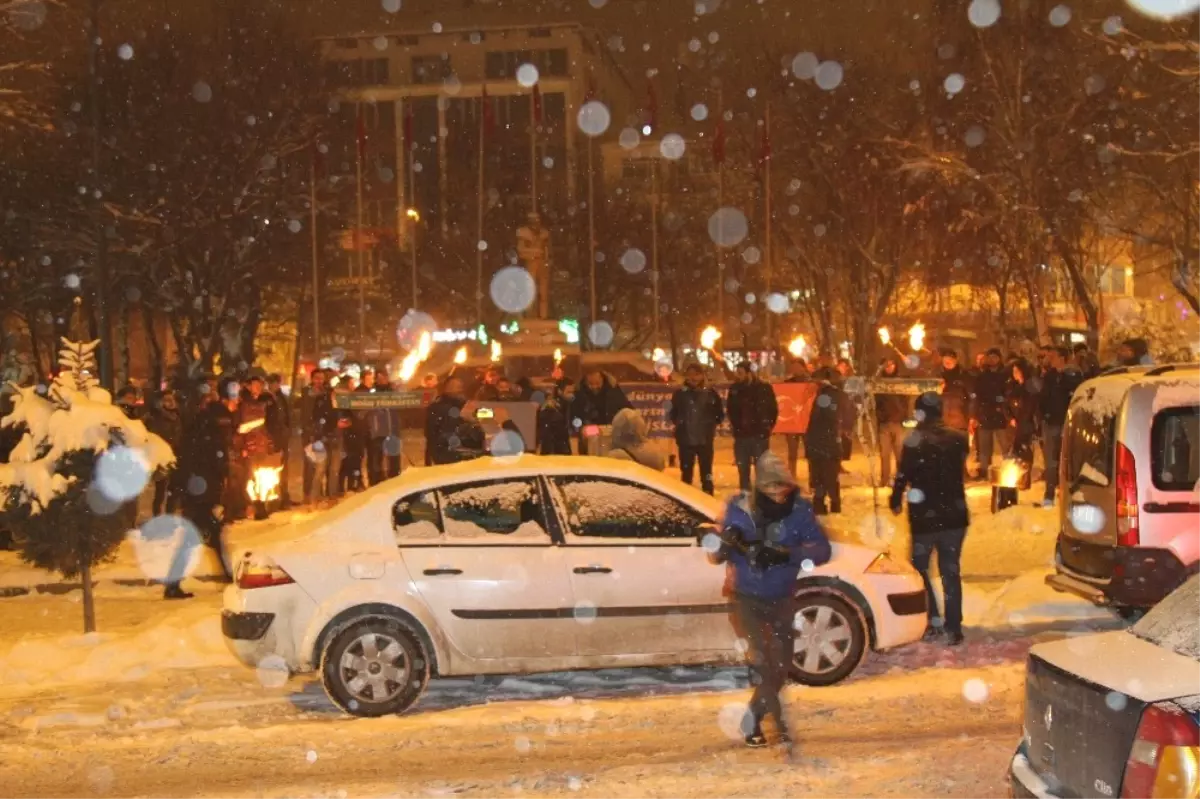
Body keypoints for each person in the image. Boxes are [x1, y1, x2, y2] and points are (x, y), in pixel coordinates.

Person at [708, 453, 832, 750]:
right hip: (746, 598)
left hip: (782, 598)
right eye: (770, 488)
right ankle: (779, 729)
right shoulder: (740, 509)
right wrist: (727, 542)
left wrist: (787, 554)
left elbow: (822, 550)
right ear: (758, 487)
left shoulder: (799, 510)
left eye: (782, 487)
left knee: (781, 668)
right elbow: (714, 552)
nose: (777, 494)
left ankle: (750, 720)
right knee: (765, 664)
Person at [889, 392, 970, 646]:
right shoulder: (959, 439)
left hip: (924, 516)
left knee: (920, 568)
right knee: (950, 570)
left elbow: (904, 474)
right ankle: (954, 625)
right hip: (954, 515)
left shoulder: (914, 441)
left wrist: (895, 497)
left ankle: (933, 618)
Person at [669, 363, 725, 494]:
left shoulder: (710, 393)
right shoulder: (679, 394)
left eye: (696, 374)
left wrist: (709, 424)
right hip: (685, 441)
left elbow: (719, 415)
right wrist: (681, 425)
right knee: (686, 475)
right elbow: (673, 414)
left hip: (705, 440)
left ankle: (708, 497)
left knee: (707, 474)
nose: (692, 378)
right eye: (689, 374)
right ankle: (686, 502)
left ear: (701, 376)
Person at [1039, 346, 1082, 507]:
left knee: (1068, 459)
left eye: (1053, 356)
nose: (1049, 359)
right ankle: (1049, 495)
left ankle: (1070, 493)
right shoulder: (1049, 376)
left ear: (1062, 358)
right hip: (1051, 423)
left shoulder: (1072, 375)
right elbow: (1043, 398)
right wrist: (1044, 415)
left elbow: (1074, 397)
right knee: (1050, 461)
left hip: (1066, 423)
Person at [726, 362, 778, 491]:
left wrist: (767, 427)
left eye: (741, 373)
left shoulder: (764, 388)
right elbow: (731, 410)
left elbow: (772, 410)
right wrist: (736, 427)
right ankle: (745, 497)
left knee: (761, 470)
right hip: (741, 436)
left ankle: (761, 499)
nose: (738, 376)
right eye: (737, 373)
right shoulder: (735, 389)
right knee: (743, 470)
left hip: (759, 435)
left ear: (749, 373)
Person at [805, 367, 850, 515]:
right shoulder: (823, 395)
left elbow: (834, 418)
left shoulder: (832, 396)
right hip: (818, 444)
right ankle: (820, 504)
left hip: (827, 444)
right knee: (819, 477)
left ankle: (831, 504)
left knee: (828, 476)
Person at [572, 369, 631, 453]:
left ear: (602, 379)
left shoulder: (614, 391)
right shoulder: (579, 393)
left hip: (611, 433)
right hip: (589, 436)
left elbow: (627, 411)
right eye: (591, 384)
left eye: (597, 383)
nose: (594, 386)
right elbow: (574, 417)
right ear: (585, 381)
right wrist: (581, 428)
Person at [972, 348, 1010, 479]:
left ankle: (1008, 470)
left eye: (995, 357)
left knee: (1005, 445)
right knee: (984, 447)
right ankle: (983, 471)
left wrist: (1001, 403)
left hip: (1001, 415)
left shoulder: (1006, 374)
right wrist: (976, 414)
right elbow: (977, 396)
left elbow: (1007, 393)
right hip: (985, 414)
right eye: (990, 357)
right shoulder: (982, 376)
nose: (993, 359)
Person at [146, 390, 184, 517]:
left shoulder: (177, 417)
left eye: (171, 400)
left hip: (174, 455)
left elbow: (179, 436)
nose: (170, 402)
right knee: (160, 489)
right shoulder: (156, 418)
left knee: (173, 488)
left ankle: (169, 515)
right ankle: (157, 515)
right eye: (166, 400)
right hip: (162, 456)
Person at [299, 368, 335, 503]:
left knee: (322, 466)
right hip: (311, 435)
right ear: (312, 379)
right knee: (311, 466)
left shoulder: (326, 393)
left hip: (324, 434)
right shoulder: (307, 394)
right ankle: (309, 495)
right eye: (317, 378)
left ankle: (318, 494)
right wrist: (310, 434)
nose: (320, 381)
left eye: (322, 378)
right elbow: (306, 416)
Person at [875, 358, 910, 486]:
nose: (889, 367)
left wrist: (904, 417)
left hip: (898, 423)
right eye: (886, 365)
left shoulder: (901, 381)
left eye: (891, 364)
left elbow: (906, 402)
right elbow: (877, 403)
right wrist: (880, 417)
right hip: (884, 423)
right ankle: (884, 479)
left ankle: (901, 479)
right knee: (884, 454)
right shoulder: (879, 382)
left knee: (900, 453)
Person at [425, 376, 473, 465]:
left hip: (463, 451)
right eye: (456, 386)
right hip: (446, 454)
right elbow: (432, 433)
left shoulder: (464, 405)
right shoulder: (438, 408)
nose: (460, 389)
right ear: (447, 389)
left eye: (460, 386)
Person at [1006, 360, 1039, 477]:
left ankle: (1024, 474)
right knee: (1017, 449)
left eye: (1017, 371)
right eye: (1013, 371)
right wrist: (1010, 417)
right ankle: (1018, 473)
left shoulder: (1030, 387)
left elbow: (1031, 407)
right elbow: (1007, 403)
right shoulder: (1013, 387)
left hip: (1026, 423)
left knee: (1023, 448)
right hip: (1016, 422)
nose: (1014, 374)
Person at [266, 374, 293, 507]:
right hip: (272, 437)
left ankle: (284, 496)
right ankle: (274, 498)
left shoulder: (282, 397)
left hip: (283, 436)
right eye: (271, 383)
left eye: (275, 383)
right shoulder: (266, 398)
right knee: (272, 468)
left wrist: (287, 430)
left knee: (284, 468)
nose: (273, 386)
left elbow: (287, 416)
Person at [781, 358, 811, 479]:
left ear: (803, 367)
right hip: (792, 422)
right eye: (793, 367)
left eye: (798, 367)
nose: (796, 370)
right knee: (792, 451)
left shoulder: (811, 383)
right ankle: (792, 475)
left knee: (810, 451)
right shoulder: (787, 383)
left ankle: (812, 476)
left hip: (807, 421)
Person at [538, 379, 576, 455]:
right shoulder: (551, 408)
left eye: (573, 392)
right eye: (568, 392)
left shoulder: (568, 405)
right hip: (555, 451)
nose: (572, 395)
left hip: (562, 448)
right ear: (560, 391)